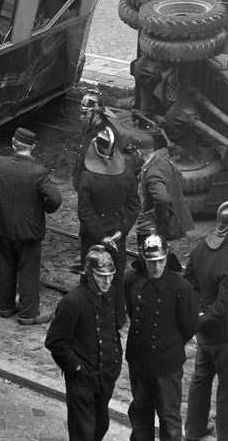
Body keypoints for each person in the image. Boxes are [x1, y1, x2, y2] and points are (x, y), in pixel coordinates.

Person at [0, 127, 62, 323]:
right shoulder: (38, 172)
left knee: (6, 265)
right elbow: (55, 199)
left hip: (4, 225)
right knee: (28, 270)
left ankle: (5, 307)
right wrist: (42, 207)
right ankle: (28, 313)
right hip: (29, 230)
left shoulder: (0, 164)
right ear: (32, 147)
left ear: (13, 143)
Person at [184, 200, 228, 441]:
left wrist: (198, 316)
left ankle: (193, 431)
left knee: (200, 383)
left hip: (205, 336)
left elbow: (188, 282)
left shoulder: (201, 248)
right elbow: (225, 306)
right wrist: (204, 318)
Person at [125, 232, 199, 441]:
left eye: (160, 262)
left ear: (166, 258)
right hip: (139, 361)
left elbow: (190, 324)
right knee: (140, 414)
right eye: (151, 263)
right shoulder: (132, 279)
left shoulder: (180, 287)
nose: (156, 267)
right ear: (144, 260)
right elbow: (132, 311)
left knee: (169, 419)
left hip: (167, 365)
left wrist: (170, 344)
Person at [46, 245, 123, 441]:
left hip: (105, 376)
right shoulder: (72, 302)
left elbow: (113, 329)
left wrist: (116, 360)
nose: (107, 281)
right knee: (83, 433)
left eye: (110, 275)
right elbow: (55, 342)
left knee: (101, 426)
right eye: (101, 276)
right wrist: (77, 368)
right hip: (82, 381)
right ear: (89, 274)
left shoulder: (111, 294)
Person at [77, 127, 139, 327]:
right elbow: (133, 206)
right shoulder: (127, 175)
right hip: (117, 235)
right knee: (116, 277)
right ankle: (117, 319)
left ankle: (89, 317)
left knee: (90, 274)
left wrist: (100, 236)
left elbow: (85, 211)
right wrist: (121, 231)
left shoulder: (87, 178)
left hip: (93, 236)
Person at [138, 144, 195, 247]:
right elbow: (180, 179)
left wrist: (159, 217)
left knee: (150, 256)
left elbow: (162, 199)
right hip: (172, 219)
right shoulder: (164, 161)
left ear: (140, 153)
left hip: (152, 226)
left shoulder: (151, 172)